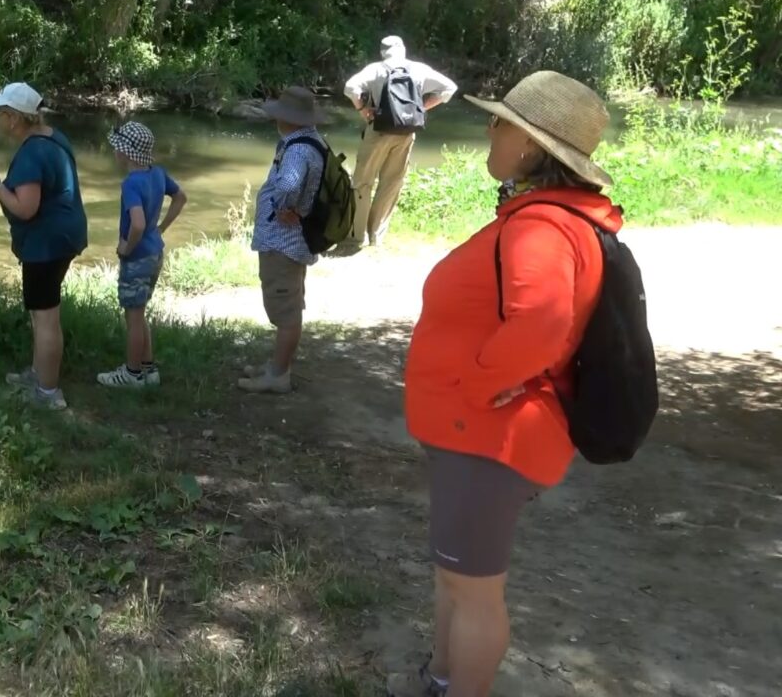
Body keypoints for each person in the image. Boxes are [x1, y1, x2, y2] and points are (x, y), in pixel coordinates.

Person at [389, 71, 623, 697]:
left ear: (526, 143)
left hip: (489, 438)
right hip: (474, 436)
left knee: (475, 591)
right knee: (456, 576)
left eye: (497, 121)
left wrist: (476, 383)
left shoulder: (541, 227)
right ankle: (440, 675)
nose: (487, 131)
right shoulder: (552, 217)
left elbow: (542, 321)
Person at [0, 82, 88, 410]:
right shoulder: (52, 136)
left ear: (13, 118)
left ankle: (48, 393)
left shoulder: (31, 153)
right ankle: (38, 374)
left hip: (47, 244)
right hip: (65, 235)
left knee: (45, 317)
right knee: (43, 312)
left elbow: (25, 208)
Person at [238, 86, 327, 394]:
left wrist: (282, 207)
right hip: (292, 242)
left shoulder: (298, 149)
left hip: (284, 243)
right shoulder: (310, 141)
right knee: (288, 304)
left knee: (286, 311)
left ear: (288, 119)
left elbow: (289, 184)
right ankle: (278, 365)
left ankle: (278, 375)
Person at [341, 36, 458, 251]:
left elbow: (350, 88)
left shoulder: (376, 69)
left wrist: (363, 109)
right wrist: (422, 107)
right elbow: (449, 88)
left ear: (382, 51)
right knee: (392, 182)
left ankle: (358, 236)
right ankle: (376, 236)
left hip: (377, 130)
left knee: (362, 182)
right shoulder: (419, 69)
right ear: (403, 50)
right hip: (406, 132)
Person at [98, 121, 187, 388]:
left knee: (133, 317)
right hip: (155, 253)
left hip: (137, 258)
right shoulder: (158, 173)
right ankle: (149, 370)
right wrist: (160, 229)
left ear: (126, 153)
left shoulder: (131, 184)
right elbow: (181, 197)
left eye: (117, 148)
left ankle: (132, 374)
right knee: (140, 312)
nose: (114, 151)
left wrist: (127, 247)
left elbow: (136, 223)